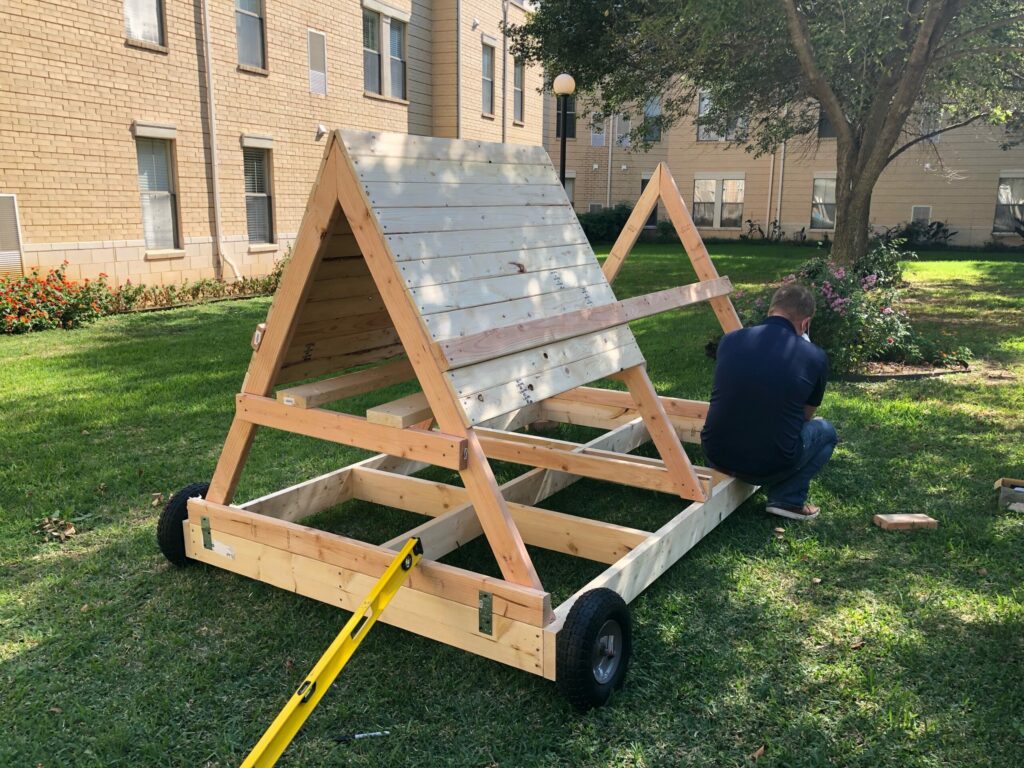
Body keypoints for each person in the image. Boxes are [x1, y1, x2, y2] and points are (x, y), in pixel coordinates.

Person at [701, 283, 838, 520]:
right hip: (771, 463)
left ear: (771, 310)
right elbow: (805, 416)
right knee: (826, 432)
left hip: (715, 453)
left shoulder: (730, 340)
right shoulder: (815, 356)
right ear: (806, 323)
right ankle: (788, 498)